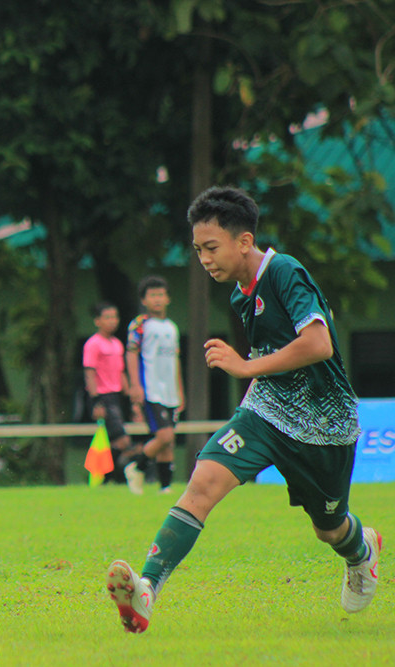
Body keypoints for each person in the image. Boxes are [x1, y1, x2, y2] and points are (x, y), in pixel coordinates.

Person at [106, 185, 380, 634]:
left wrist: (245, 365)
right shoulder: (240, 294)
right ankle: (146, 590)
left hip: (324, 424)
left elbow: (318, 344)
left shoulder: (284, 271)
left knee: (329, 528)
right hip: (266, 412)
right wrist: (251, 381)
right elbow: (271, 357)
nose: (204, 259)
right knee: (202, 483)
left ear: (244, 241)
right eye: (198, 250)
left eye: (211, 247)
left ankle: (361, 553)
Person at [123, 275, 184, 494]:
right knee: (164, 435)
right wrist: (135, 385)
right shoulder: (140, 324)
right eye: (152, 295)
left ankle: (165, 487)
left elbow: (175, 360)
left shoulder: (172, 327)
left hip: (170, 391)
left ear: (168, 298)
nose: (157, 299)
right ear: (144, 300)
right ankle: (136, 467)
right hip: (152, 389)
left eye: (161, 294)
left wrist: (180, 391)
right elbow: (131, 353)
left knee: (168, 441)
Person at [83, 302, 131, 480]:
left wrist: (131, 398)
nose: (112, 321)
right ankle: (108, 476)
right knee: (123, 441)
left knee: (113, 441)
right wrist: (95, 401)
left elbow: (121, 372)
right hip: (103, 397)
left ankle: (103, 477)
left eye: (114, 317)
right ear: (97, 321)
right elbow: (89, 372)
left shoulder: (117, 344)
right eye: (107, 317)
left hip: (116, 396)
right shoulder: (93, 344)